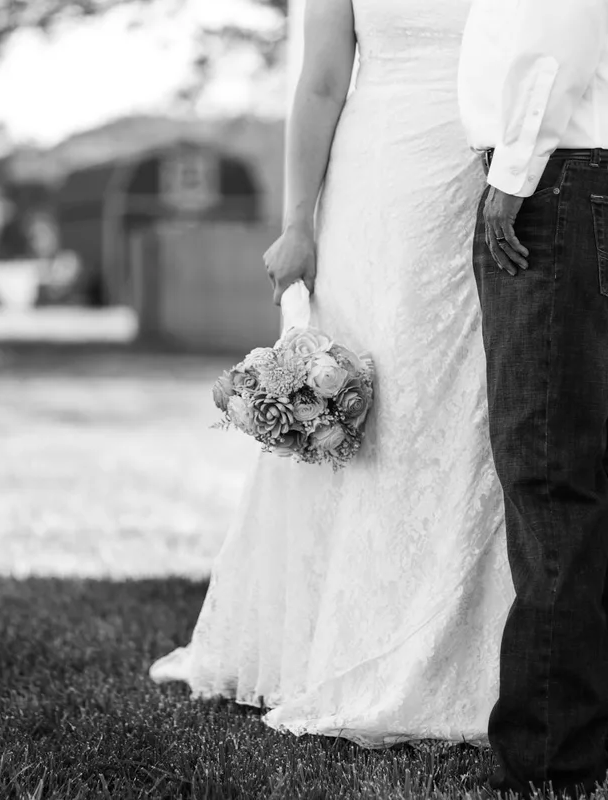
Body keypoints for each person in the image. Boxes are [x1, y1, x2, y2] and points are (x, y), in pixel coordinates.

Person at [150, 0, 512, 745]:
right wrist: (297, 222)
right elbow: (320, 82)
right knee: (375, 397)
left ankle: (471, 648)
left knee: (461, 399)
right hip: (377, 180)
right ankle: (337, 645)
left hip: (481, 171)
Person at [461, 1, 608, 795]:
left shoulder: (537, 171)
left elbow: (555, 29)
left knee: (549, 471)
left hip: (565, 176)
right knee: (605, 460)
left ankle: (549, 757)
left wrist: (511, 173)